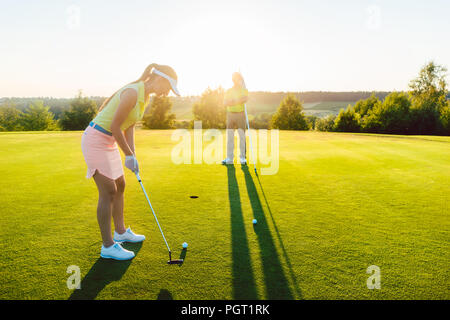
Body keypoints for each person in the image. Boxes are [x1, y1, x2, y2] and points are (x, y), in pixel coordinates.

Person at [81, 63, 180, 260]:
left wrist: (133, 155)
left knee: (121, 185)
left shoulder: (144, 97)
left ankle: (120, 232)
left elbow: (129, 127)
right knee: (108, 191)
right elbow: (115, 126)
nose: (166, 93)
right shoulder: (133, 92)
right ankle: (108, 246)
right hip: (96, 139)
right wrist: (126, 154)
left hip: (109, 140)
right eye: (167, 88)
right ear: (159, 79)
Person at [222, 72, 249, 165]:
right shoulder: (228, 91)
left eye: (240, 79)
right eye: (238, 79)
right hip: (230, 115)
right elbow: (225, 103)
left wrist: (232, 101)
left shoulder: (244, 90)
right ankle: (229, 158)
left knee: (242, 136)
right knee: (230, 137)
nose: (240, 80)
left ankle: (242, 158)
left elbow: (245, 99)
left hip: (241, 115)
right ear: (234, 80)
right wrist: (238, 101)